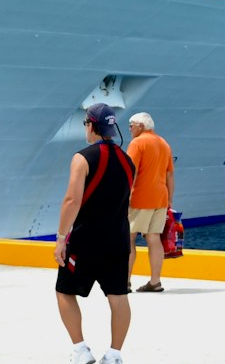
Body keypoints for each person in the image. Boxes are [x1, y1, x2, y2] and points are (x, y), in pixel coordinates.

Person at [55, 104, 135, 364]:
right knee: (118, 296)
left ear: (91, 125)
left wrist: (60, 238)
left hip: (86, 241)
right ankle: (114, 354)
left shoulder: (82, 157)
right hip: (118, 240)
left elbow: (71, 201)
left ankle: (80, 350)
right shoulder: (128, 161)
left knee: (64, 291)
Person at [124, 113, 175, 292]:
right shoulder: (164, 143)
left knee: (128, 238)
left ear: (140, 125)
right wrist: (169, 199)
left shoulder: (138, 143)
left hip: (139, 198)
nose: (129, 128)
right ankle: (155, 281)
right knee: (154, 238)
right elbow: (170, 174)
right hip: (160, 198)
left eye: (131, 125)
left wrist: (124, 196)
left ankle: (125, 281)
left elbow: (131, 171)